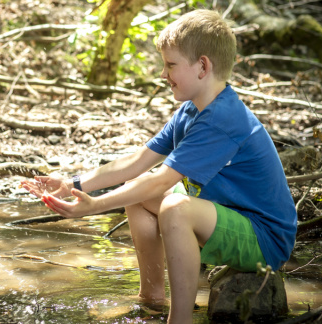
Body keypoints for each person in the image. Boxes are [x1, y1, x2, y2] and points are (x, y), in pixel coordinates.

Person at [21, 9, 296, 324]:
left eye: (171, 65)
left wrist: (94, 206)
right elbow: (138, 162)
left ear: (203, 66)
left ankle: (179, 320)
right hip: (227, 214)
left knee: (175, 207)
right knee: (134, 195)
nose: (163, 74)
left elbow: (161, 180)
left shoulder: (222, 118)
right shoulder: (191, 110)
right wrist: (74, 185)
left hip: (264, 238)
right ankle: (151, 300)